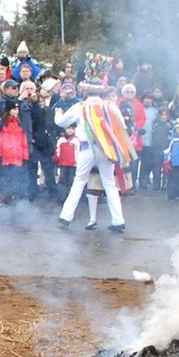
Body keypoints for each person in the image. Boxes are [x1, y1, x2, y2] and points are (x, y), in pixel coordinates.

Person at [57, 57, 133, 233]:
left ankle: (66, 217)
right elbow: (121, 126)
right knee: (109, 183)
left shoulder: (80, 106)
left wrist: (58, 113)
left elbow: (61, 122)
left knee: (79, 181)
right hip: (106, 149)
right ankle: (118, 220)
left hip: (86, 148)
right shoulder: (110, 106)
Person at [0, 106, 30, 206]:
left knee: (15, 177)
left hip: (17, 156)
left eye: (17, 109)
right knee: (4, 178)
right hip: (5, 156)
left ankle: (12, 198)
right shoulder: (1, 124)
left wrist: (25, 155)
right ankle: (1, 199)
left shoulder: (20, 123)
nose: (16, 111)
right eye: (14, 109)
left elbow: (24, 141)